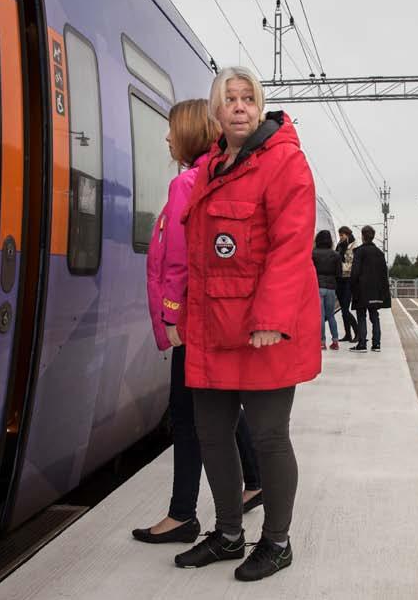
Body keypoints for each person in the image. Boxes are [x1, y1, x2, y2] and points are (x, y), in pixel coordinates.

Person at [175, 66, 320, 582]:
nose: (239, 106)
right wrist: (181, 318)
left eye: (247, 98)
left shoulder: (285, 162)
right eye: (229, 99)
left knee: (268, 437)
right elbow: (199, 256)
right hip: (214, 327)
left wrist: (272, 319)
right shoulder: (213, 166)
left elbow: (291, 244)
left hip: (263, 331)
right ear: (216, 112)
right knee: (212, 433)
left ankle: (276, 542)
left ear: (259, 108)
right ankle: (230, 534)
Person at [133, 99, 260, 546]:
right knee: (215, 408)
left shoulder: (188, 182)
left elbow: (179, 260)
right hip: (204, 317)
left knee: (187, 418)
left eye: (171, 130)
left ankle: (181, 515)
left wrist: (171, 318)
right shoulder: (210, 174)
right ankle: (256, 479)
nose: (167, 138)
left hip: (189, 319)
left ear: (188, 132)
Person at [349, 225, 391, 353]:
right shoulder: (379, 253)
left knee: (361, 316)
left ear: (362, 236)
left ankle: (362, 344)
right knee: (375, 316)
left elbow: (355, 272)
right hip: (376, 291)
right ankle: (376, 344)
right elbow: (384, 274)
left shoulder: (359, 252)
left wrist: (352, 286)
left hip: (362, 290)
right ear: (372, 237)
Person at [312, 230, 342, 350]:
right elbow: (339, 273)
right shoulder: (336, 255)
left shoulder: (312, 253)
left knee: (321, 315)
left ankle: (321, 342)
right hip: (331, 287)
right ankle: (335, 341)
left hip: (317, 286)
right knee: (331, 315)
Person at [334, 226, 358, 342]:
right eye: (340, 235)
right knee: (343, 310)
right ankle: (347, 334)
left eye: (342, 235)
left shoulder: (353, 246)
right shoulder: (339, 245)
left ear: (347, 234)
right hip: (339, 279)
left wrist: (338, 267)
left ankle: (357, 332)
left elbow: (352, 264)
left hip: (348, 279)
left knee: (344, 309)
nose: (341, 237)